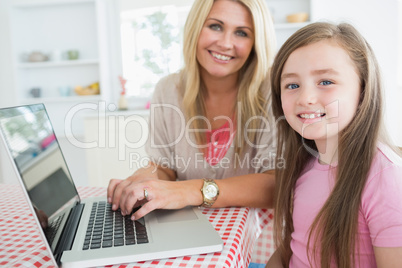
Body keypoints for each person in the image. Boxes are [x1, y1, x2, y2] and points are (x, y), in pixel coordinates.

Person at [107, 0, 277, 224]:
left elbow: (275, 185)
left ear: (256, 42)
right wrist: (147, 177)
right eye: (215, 26)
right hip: (192, 230)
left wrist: (190, 191)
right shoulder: (168, 90)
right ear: (196, 27)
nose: (226, 43)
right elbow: (165, 167)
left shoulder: (274, 91)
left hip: (256, 240)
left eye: (242, 33)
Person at [267, 22, 402, 268]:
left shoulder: (386, 178)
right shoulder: (305, 161)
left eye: (326, 82)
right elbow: (293, 248)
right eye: (292, 85)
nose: (306, 98)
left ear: (362, 91)